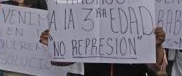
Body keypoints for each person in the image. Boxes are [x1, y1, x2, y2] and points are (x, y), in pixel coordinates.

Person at [40, 27, 168, 76]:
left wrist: (157, 46)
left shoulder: (142, 27)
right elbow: (68, 58)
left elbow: (157, 67)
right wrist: (55, 45)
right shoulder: (90, 29)